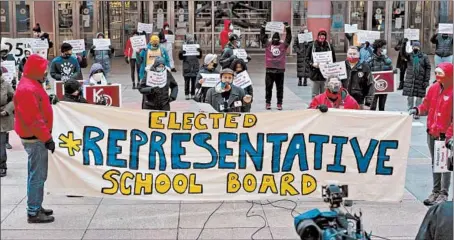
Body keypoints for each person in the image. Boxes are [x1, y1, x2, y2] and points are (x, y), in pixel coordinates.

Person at [14, 54, 56, 223]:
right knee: (37, 175)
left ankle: (36, 205)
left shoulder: (32, 83)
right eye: (43, 69)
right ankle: (33, 211)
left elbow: (39, 105)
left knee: (38, 174)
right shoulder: (27, 89)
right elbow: (34, 119)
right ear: (35, 70)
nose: (45, 72)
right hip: (35, 138)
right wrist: (47, 138)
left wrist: (50, 100)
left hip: (36, 137)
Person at [409, 62, 453, 206]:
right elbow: (426, 105)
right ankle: (435, 191)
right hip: (432, 132)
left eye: (441, 74)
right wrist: (417, 109)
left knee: (444, 165)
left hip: (444, 135)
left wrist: (449, 135)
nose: (438, 76)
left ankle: (443, 193)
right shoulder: (433, 88)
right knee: (435, 163)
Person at [260, 21, 292, 110]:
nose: (275, 40)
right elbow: (289, 38)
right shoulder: (282, 45)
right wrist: (287, 27)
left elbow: (262, 37)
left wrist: (263, 27)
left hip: (273, 70)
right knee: (276, 88)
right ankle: (276, 103)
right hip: (276, 70)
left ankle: (271, 103)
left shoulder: (269, 44)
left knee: (271, 88)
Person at [401, 40, 431, 118]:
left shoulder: (424, 56)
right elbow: (403, 53)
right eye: (414, 46)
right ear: (412, 47)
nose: (416, 48)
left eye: (417, 46)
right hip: (411, 79)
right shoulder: (410, 56)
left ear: (419, 47)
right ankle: (410, 110)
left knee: (419, 98)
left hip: (420, 79)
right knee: (410, 97)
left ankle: (417, 112)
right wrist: (404, 44)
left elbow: (428, 68)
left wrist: (426, 80)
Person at [306, 29, 337, 98]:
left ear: (325, 37)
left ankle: (324, 107)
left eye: (323, 36)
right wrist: (312, 64)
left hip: (326, 75)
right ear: (318, 36)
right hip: (315, 74)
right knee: (315, 94)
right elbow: (307, 59)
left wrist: (330, 64)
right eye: (320, 36)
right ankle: (315, 107)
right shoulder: (312, 46)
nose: (322, 38)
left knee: (325, 94)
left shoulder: (329, 46)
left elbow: (334, 59)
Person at [367, 39, 393, 111]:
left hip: (384, 87)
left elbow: (390, 69)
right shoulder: (370, 60)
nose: (384, 49)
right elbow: (367, 73)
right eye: (383, 47)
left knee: (382, 107)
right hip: (374, 87)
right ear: (378, 48)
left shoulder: (386, 59)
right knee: (372, 106)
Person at [0, 67, 14, 177]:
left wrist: (7, 110)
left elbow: (14, 99)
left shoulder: (6, 85)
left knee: (1, 144)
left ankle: (2, 166)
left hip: (2, 118)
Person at [178, 34, 202, 100]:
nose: (191, 41)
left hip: (194, 66)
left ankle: (193, 94)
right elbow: (180, 58)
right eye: (190, 40)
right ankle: (186, 94)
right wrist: (181, 53)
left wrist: (200, 51)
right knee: (187, 82)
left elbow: (199, 56)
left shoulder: (196, 46)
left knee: (194, 81)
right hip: (187, 66)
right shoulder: (184, 47)